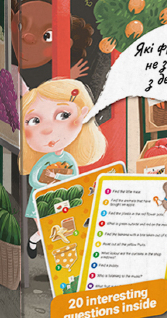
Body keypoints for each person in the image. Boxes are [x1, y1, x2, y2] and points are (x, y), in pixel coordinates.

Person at [19, 79, 107, 258]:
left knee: (64, 230)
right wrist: (47, 182)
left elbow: (73, 177)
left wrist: (57, 176)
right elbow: (33, 179)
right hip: (41, 200)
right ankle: (35, 242)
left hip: (63, 199)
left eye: (63, 115)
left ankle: (60, 256)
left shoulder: (68, 159)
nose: (48, 130)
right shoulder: (43, 160)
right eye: (34, 120)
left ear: (83, 115)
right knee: (46, 230)